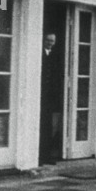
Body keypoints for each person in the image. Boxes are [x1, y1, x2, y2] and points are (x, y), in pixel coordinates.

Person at [40, 33, 63, 166]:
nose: (50, 43)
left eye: (52, 41)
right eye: (48, 40)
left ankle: (48, 155)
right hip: (40, 96)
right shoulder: (39, 52)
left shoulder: (56, 56)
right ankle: (40, 156)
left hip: (50, 98)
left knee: (50, 127)